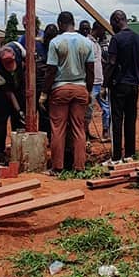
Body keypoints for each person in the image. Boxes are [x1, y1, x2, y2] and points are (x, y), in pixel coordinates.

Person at [44, 11, 95, 172]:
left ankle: (57, 167)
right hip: (80, 88)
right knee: (79, 128)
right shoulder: (87, 43)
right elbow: (91, 70)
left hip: (60, 89)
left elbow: (51, 70)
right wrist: (89, 91)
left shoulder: (55, 42)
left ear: (60, 24)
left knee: (58, 128)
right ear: (73, 23)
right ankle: (79, 166)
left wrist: (44, 93)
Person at [106, 10, 139, 163]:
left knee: (116, 120)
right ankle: (129, 154)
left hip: (119, 85)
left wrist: (105, 84)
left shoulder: (116, 39)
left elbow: (111, 62)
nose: (112, 27)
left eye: (112, 24)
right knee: (131, 119)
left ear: (117, 21)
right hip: (134, 85)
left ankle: (116, 157)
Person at [0, 40, 26, 164]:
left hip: (19, 86)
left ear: (15, 55)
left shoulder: (19, 49)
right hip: (1, 93)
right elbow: (8, 92)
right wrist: (18, 109)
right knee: (0, 122)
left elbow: (29, 64)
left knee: (19, 122)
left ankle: (18, 151)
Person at [84, 21, 111, 140]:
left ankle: (105, 131)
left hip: (100, 81)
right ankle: (85, 133)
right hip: (92, 82)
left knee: (106, 108)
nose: (104, 33)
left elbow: (98, 61)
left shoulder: (96, 43)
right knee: (88, 109)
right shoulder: (87, 43)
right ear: (98, 29)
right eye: (103, 30)